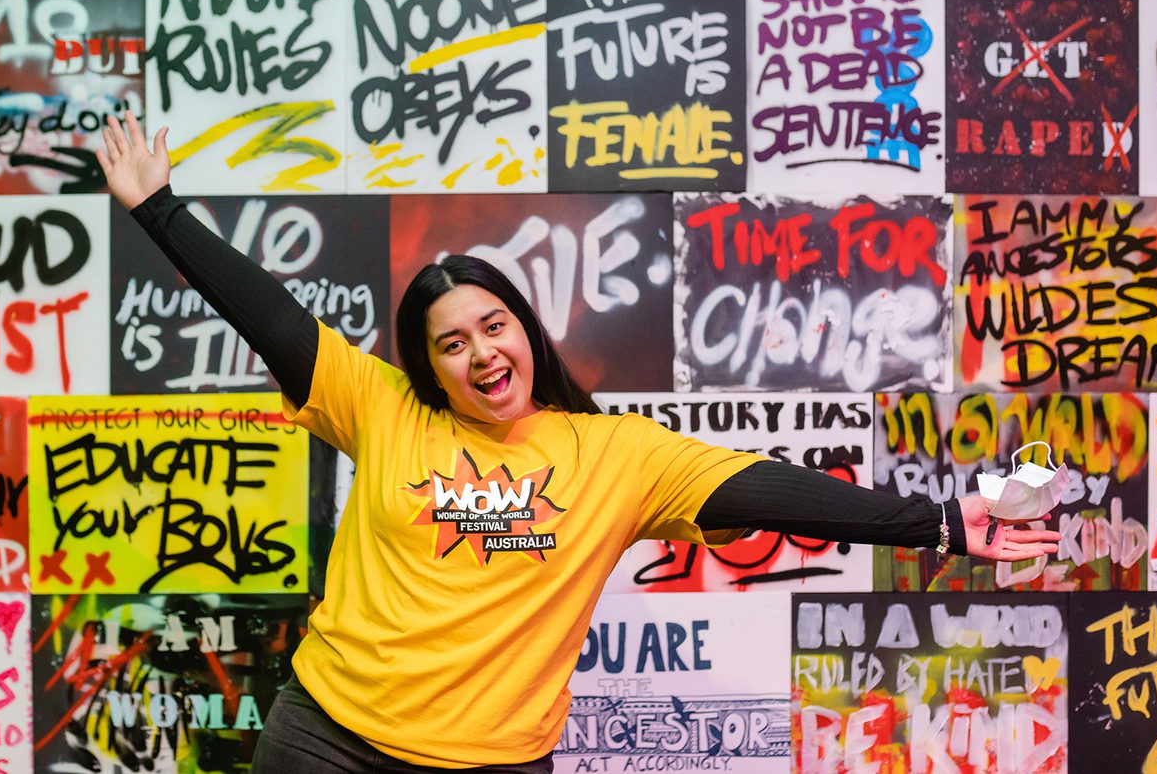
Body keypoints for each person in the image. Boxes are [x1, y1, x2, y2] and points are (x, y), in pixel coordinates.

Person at [97, 112, 1060, 773]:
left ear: (526, 328)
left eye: (494, 326)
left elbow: (772, 490)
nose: (479, 353)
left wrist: (941, 522)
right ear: (427, 365)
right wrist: (159, 209)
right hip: (327, 740)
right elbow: (272, 315)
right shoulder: (379, 405)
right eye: (451, 343)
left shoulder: (613, 454)